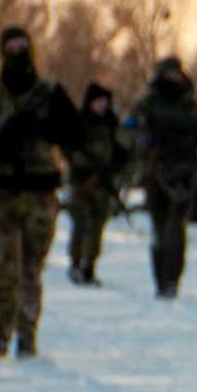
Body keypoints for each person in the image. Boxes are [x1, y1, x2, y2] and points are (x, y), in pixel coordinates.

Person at [0, 25, 83, 360]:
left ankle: (27, 335)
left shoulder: (50, 94)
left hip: (39, 193)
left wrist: (44, 128)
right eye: (12, 46)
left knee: (30, 270)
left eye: (24, 45)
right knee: (3, 266)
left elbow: (75, 133)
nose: (19, 51)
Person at [130, 56, 197, 298]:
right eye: (168, 74)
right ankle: (160, 278)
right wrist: (142, 143)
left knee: (176, 228)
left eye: (176, 74)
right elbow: (127, 133)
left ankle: (171, 279)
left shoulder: (192, 107)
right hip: (157, 173)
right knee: (159, 227)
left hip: (184, 173)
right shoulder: (146, 105)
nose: (172, 79)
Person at [63, 83, 132, 285]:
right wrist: (86, 170)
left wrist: (110, 173)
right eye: (99, 101)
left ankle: (89, 266)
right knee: (81, 223)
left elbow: (122, 154)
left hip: (102, 184)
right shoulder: (79, 123)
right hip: (80, 181)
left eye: (105, 102)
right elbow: (70, 150)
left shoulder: (111, 125)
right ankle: (75, 264)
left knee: (97, 226)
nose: (102, 106)